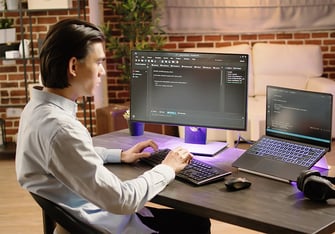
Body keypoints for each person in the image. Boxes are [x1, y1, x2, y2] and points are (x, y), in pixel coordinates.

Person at [15, 18, 211, 234]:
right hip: (111, 223)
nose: (102, 71)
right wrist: (167, 167)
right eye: (98, 62)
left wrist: (119, 155)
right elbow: (123, 200)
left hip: (93, 214)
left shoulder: (36, 110)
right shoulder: (61, 129)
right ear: (73, 66)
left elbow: (70, 156)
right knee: (198, 222)